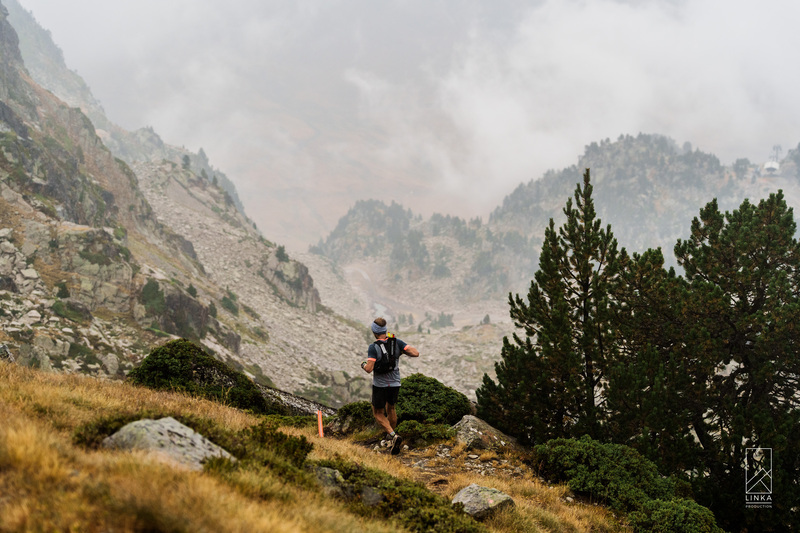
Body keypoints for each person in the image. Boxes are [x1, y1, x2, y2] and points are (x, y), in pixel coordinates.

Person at [360, 317, 419, 455]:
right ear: (385, 330)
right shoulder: (396, 343)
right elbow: (415, 353)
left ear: (374, 332)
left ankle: (393, 435)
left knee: (378, 413)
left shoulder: (373, 347)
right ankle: (391, 439)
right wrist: (401, 351)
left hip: (380, 385)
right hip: (395, 383)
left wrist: (363, 364)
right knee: (391, 408)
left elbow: (369, 369)